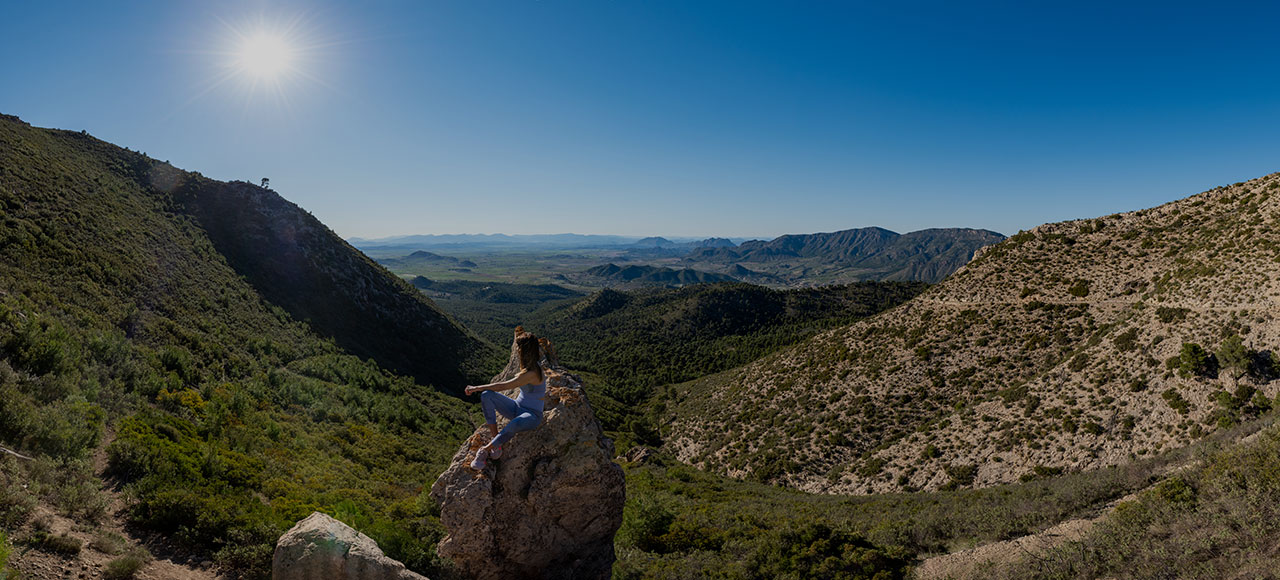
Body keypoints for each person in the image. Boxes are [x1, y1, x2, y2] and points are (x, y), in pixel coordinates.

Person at [464, 331, 546, 470]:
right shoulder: (528, 368)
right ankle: (497, 441)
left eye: (519, 347)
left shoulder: (532, 373)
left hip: (532, 416)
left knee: (515, 423)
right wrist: (480, 390)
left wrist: (475, 387)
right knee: (486, 395)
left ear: (524, 351)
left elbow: (504, 386)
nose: (517, 350)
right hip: (516, 407)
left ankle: (486, 449)